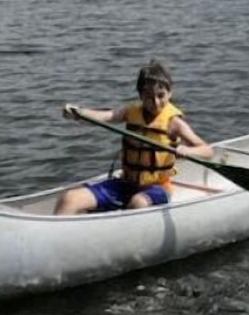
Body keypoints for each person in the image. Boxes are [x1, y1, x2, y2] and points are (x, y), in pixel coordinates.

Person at [55, 60, 216, 215]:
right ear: (140, 95)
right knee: (70, 198)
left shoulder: (174, 123)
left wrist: (187, 150)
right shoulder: (130, 113)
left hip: (158, 188)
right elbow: (105, 116)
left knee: (137, 202)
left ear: (170, 93)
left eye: (161, 95)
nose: (155, 102)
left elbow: (208, 151)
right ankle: (57, 239)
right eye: (148, 96)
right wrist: (79, 114)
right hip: (126, 184)